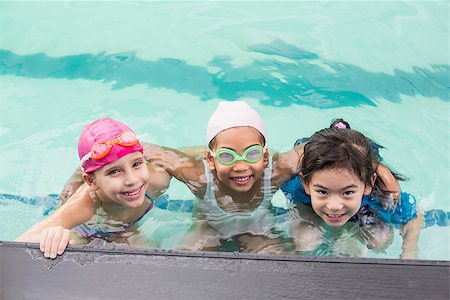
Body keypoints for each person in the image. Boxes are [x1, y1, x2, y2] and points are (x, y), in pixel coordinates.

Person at [144, 101, 303, 253]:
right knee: (189, 260)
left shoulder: (274, 173)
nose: (241, 166)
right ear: (211, 160)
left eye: (252, 153)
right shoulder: (200, 178)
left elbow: (312, 148)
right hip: (208, 227)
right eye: (227, 155)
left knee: (275, 262)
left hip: (257, 228)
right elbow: (155, 152)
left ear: (265, 156)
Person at [16, 117, 171, 259]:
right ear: (91, 181)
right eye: (114, 171)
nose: (132, 180)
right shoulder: (84, 203)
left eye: (137, 164)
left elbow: (193, 161)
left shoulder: (158, 180)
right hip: (86, 232)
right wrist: (52, 234)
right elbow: (20, 243)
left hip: (129, 228)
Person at [281, 125, 423, 258]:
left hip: (362, 205)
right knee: (304, 243)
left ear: (368, 184)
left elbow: (415, 215)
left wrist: (409, 250)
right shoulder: (296, 188)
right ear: (306, 184)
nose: (334, 205)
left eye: (347, 192)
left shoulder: (380, 194)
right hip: (307, 203)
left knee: (380, 241)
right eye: (323, 192)